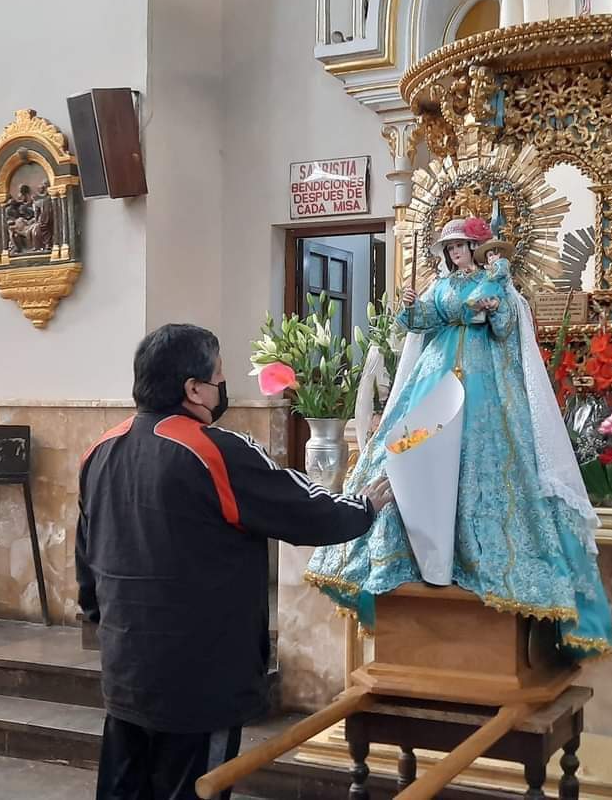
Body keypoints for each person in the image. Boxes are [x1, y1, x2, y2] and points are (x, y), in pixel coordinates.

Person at [77, 323, 393, 800]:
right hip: (199, 680)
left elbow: (86, 560)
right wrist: (365, 505)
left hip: (126, 670)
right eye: (220, 376)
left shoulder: (99, 450)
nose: (224, 387)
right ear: (194, 389)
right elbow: (303, 509)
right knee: (198, 789)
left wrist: (107, 623)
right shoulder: (211, 449)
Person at [306, 217, 612, 659]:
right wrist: (411, 306)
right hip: (433, 379)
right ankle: (410, 556)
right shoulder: (442, 288)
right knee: (417, 452)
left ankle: (485, 560)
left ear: (477, 248)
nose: (454, 256)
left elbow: (508, 329)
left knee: (485, 460)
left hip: (485, 386)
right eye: (449, 250)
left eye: (461, 248)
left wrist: (495, 304)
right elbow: (421, 323)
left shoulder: (497, 282)